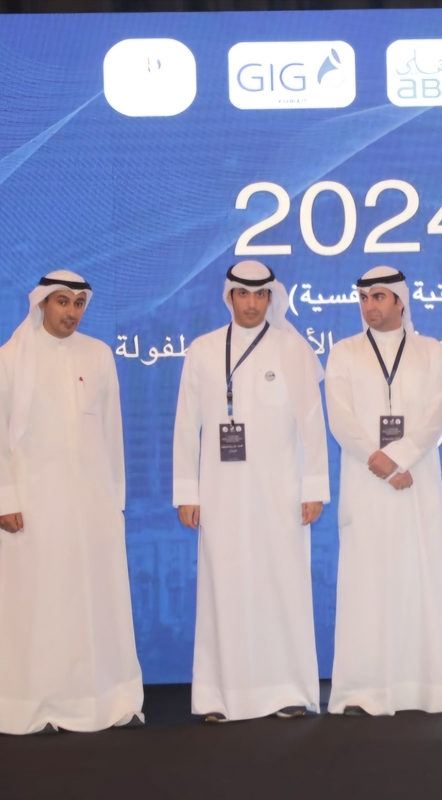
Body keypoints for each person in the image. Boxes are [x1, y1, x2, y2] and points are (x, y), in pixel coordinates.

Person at [0, 271, 144, 735]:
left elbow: (111, 433)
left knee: (93, 603)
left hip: (92, 505)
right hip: (33, 507)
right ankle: (33, 705)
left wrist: (114, 501)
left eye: (79, 303)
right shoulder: (10, 358)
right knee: (38, 605)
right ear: (42, 303)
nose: (72, 312)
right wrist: (4, 500)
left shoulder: (98, 354)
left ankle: (103, 700)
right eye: (62, 302)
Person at [172, 260, 329, 723]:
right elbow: (186, 425)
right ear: (230, 297)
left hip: (281, 492)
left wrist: (314, 487)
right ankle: (220, 696)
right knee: (224, 587)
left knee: (282, 585)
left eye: (261, 295)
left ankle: (287, 691)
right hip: (219, 492)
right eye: (244, 294)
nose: (253, 303)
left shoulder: (293, 349)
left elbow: (312, 425)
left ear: (271, 298)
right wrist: (187, 492)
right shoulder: (202, 350)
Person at [325, 266, 442, 716]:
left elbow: (436, 416)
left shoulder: (432, 351)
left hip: (416, 482)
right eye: (364, 298)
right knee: (366, 585)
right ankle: (361, 690)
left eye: (380, 297)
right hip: (366, 484)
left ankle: (427, 689)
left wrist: (399, 457)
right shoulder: (343, 352)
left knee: (418, 580)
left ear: (401, 301)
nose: (370, 306)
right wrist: (381, 462)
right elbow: (340, 418)